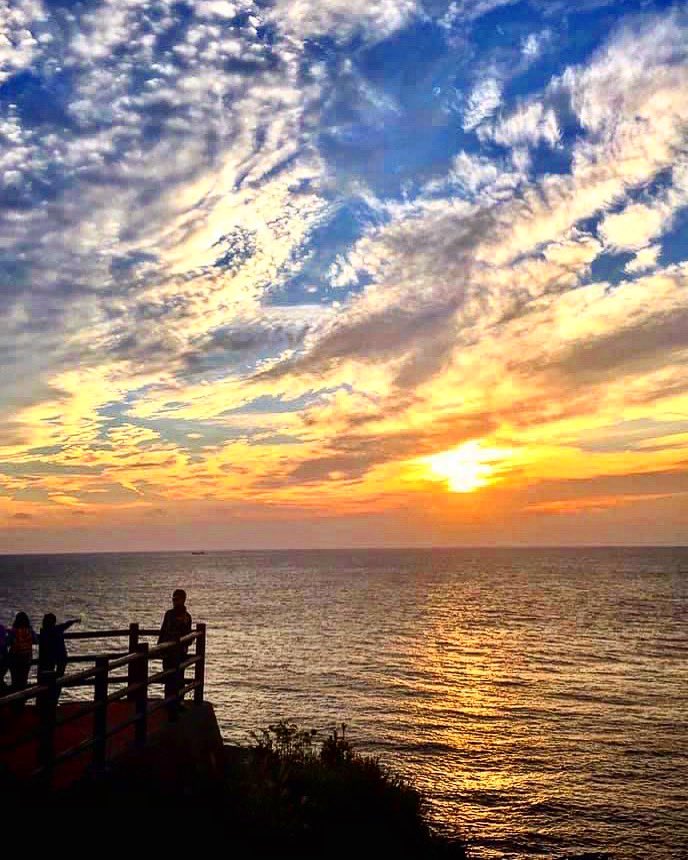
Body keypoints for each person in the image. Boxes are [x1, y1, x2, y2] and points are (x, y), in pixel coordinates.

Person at [158, 589, 192, 710]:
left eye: (176, 599)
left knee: (179, 677)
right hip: (168, 651)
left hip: (179, 652)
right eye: (173, 599)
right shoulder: (168, 614)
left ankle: (178, 702)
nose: (174, 602)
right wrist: (160, 647)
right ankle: (169, 702)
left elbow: (188, 637)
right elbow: (163, 631)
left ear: (183, 600)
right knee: (168, 677)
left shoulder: (187, 617)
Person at [38, 614, 81, 683]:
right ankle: (56, 690)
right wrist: (74, 621)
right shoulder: (58, 629)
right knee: (59, 678)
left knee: (50, 679)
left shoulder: (45, 632)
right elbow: (67, 624)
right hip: (61, 657)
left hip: (52, 658)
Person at [7, 613, 38, 702]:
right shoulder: (30, 631)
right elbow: (36, 641)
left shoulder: (14, 631)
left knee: (15, 681)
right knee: (23, 681)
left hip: (14, 658)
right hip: (26, 659)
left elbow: (8, 642)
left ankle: (14, 702)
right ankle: (21, 703)